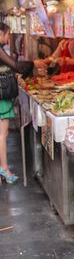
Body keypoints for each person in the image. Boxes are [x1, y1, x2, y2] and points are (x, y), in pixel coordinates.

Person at [0, 23, 19, 183]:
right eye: (7, 34)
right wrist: (35, 64)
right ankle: (4, 169)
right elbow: (15, 65)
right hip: (1, 98)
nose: (8, 38)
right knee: (2, 134)